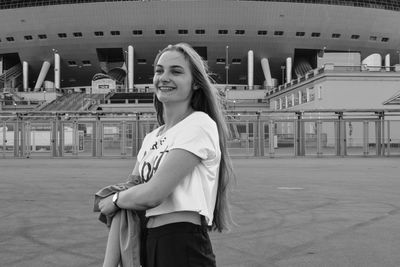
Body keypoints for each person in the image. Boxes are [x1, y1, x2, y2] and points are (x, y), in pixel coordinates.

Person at [98, 43, 235, 267]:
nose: (164, 77)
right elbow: (127, 205)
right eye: (159, 70)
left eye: (176, 71)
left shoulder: (199, 124)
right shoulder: (151, 138)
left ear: (196, 84)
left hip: (182, 244)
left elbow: (154, 194)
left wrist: (114, 199)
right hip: (149, 241)